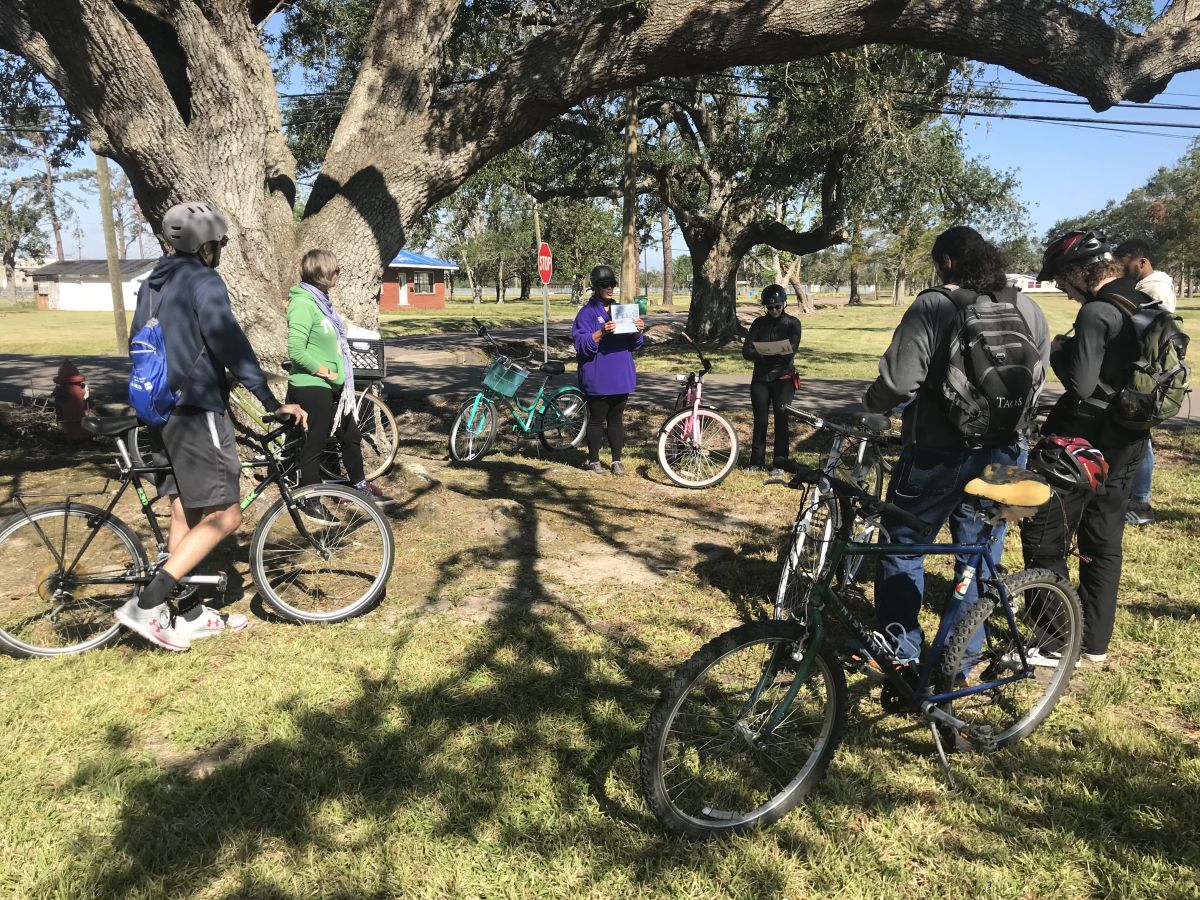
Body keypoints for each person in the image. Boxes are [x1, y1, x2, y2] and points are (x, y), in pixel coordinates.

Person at [118, 202, 309, 652]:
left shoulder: (153, 283)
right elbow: (228, 342)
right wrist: (268, 400)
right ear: (204, 244)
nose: (220, 249)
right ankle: (147, 605)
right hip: (196, 408)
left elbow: (141, 343)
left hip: (160, 409)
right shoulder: (204, 280)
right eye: (218, 242)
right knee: (226, 514)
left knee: (185, 508)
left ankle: (184, 612)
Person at [863, 226, 1049, 664]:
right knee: (979, 553)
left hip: (936, 450)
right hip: (1006, 451)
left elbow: (899, 379)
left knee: (903, 542)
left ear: (946, 261)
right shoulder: (1026, 306)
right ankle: (960, 657)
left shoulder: (935, 305)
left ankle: (899, 648)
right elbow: (1037, 372)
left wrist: (872, 407)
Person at [1019, 228, 1150, 665]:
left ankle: (1056, 639)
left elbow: (1081, 383)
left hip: (1085, 442)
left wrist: (1060, 350)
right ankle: (1093, 641)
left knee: (1043, 531)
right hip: (1128, 438)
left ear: (1079, 272)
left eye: (1060, 278)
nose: (1061, 287)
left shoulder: (1097, 312)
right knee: (1104, 541)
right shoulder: (1139, 297)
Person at [286, 248, 390, 523]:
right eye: (335, 270)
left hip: (335, 388)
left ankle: (359, 487)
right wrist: (326, 372)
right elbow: (296, 350)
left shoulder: (322, 303)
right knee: (315, 444)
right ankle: (310, 501)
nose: (338, 275)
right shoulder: (303, 303)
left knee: (350, 435)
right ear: (324, 273)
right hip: (312, 385)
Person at [1113, 238, 1177, 526]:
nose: (1121, 269)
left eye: (1124, 263)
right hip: (1143, 372)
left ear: (1141, 262)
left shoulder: (1154, 289)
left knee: (1142, 438)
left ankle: (1140, 500)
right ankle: (1136, 496)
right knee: (1139, 437)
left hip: (1147, 375)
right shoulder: (1148, 286)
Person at [572, 264, 644, 475]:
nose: (610, 288)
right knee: (596, 419)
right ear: (595, 287)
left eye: (612, 284)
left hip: (621, 374)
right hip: (597, 375)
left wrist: (638, 332)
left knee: (616, 419)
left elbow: (635, 345)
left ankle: (616, 461)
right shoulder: (586, 313)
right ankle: (594, 460)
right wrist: (601, 332)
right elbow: (581, 344)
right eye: (605, 285)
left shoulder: (622, 311)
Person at [741, 284, 802, 474]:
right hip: (760, 379)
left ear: (784, 303)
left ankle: (780, 462)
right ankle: (756, 462)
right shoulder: (758, 323)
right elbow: (747, 351)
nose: (774, 310)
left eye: (777, 306)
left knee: (781, 421)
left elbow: (790, 349)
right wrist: (767, 355)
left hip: (783, 379)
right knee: (760, 421)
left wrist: (766, 352)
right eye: (770, 307)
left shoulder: (793, 323)